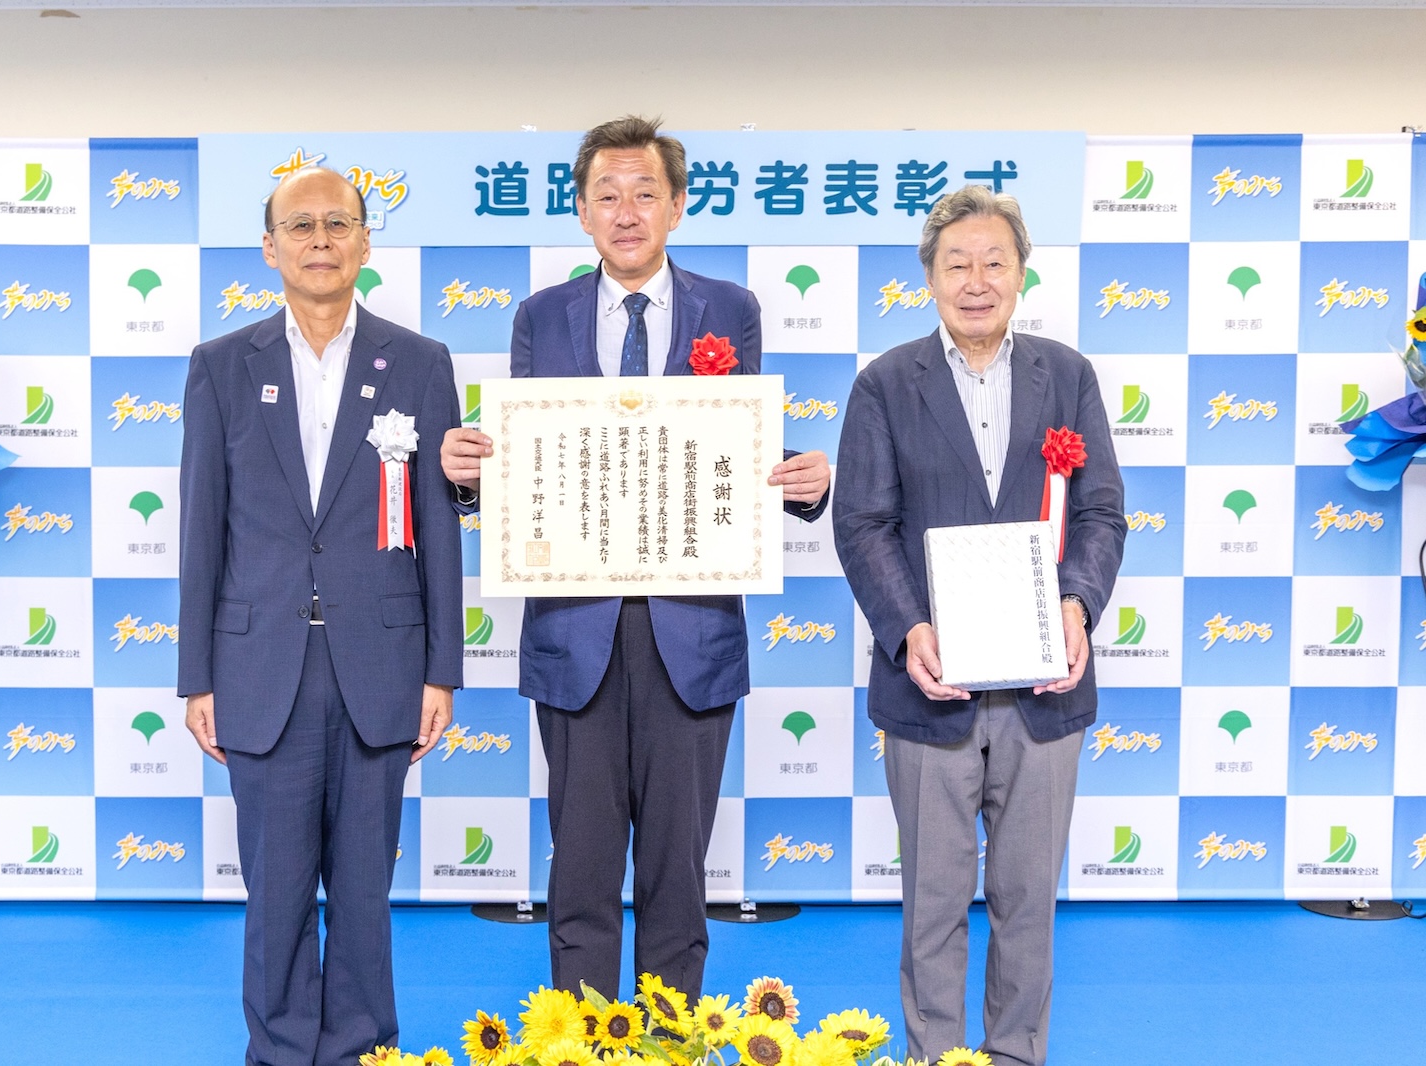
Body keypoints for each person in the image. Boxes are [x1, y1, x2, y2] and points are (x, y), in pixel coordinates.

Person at [440, 116, 831, 1003]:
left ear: (677, 206)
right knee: (579, 871)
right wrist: (470, 478)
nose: (627, 212)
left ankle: (669, 1040)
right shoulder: (540, 317)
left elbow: (725, 453)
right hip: (574, 633)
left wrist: (801, 482)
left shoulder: (730, 310)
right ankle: (579, 1043)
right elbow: (530, 464)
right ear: (581, 212)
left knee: (677, 874)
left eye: (645, 193)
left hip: (691, 632)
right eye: (607, 195)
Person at [832, 185, 1125, 1066]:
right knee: (932, 900)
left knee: (1028, 899)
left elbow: (1101, 512)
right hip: (932, 687)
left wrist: (1076, 605)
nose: (976, 280)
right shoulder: (885, 383)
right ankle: (935, 1055)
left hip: (1045, 689)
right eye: (956, 263)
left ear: (1021, 273)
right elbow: (863, 523)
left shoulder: (1067, 376)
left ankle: (1015, 1055)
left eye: (995, 261)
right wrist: (907, 629)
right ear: (928, 277)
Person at [178, 166, 462, 1066]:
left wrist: (442, 669)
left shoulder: (420, 362)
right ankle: (279, 1048)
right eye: (299, 226)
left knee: (366, 890)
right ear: (269, 249)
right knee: (275, 892)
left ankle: (363, 1048)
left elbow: (439, 531)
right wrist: (197, 676)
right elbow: (200, 529)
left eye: (339, 223)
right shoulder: (221, 365)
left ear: (366, 242)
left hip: (380, 664)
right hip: (260, 667)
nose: (320, 241)